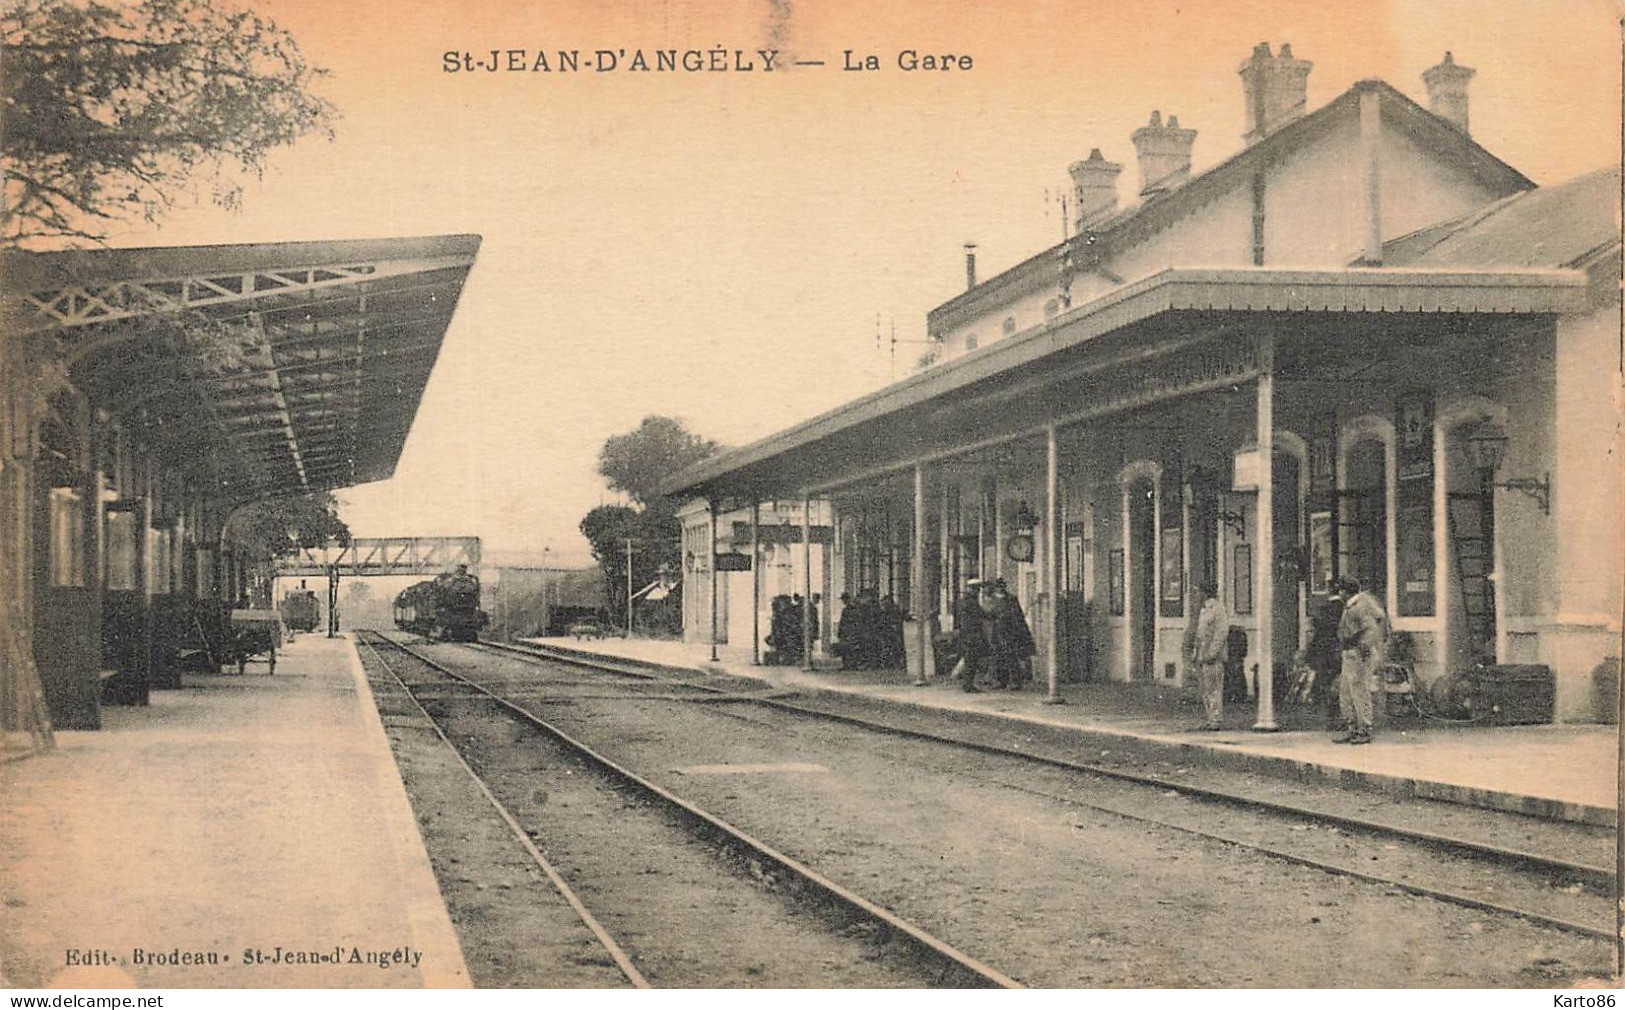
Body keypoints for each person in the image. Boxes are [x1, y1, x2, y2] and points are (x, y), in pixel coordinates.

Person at [1335, 577, 1388, 744]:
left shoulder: (1359, 607)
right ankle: (1352, 727)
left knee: (1359, 691)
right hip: (1350, 651)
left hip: (1358, 652)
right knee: (1346, 691)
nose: (1339, 593)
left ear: (1347, 591)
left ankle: (1364, 728)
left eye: (1341, 589)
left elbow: (1371, 629)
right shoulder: (1355, 605)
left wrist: (1363, 648)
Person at [1190, 581, 1229, 730]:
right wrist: (1196, 653)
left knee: (1214, 689)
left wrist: (1212, 653)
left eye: (1198, 592)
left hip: (1213, 657)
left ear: (1205, 593)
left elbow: (1221, 633)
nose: (1196, 595)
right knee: (1206, 689)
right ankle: (1210, 718)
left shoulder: (1217, 609)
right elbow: (1200, 634)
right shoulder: (1204, 610)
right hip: (1202, 655)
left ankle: (1216, 720)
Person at [991, 578, 1035, 689]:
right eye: (997, 586)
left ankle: (1015, 682)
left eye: (1001, 586)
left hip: (1009, 632)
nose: (999, 588)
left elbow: (1017, 616)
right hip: (997, 632)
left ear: (1004, 587)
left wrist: (1019, 631)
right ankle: (1001, 681)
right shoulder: (993, 600)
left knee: (1010, 657)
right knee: (998, 657)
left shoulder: (1011, 599)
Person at [956, 581, 992, 693]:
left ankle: (967, 684)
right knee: (971, 660)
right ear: (971, 589)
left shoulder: (963, 601)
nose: (978, 592)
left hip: (966, 635)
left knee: (970, 659)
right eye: (976, 589)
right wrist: (994, 614)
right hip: (972, 635)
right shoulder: (971, 602)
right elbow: (983, 614)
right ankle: (968, 685)